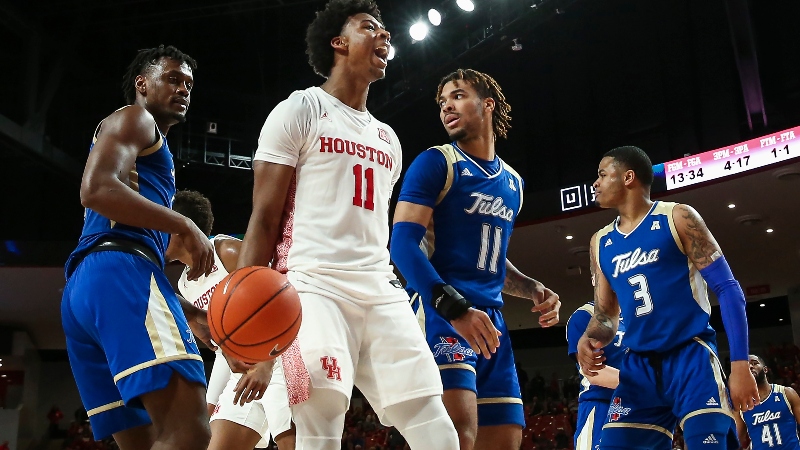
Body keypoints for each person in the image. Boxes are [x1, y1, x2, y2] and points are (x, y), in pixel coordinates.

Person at [235, 0, 459, 449]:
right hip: (313, 285)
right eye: (369, 27)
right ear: (338, 42)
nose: (385, 35)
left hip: (380, 288)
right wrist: (248, 323)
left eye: (384, 29)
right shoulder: (301, 108)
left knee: (438, 429)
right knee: (320, 427)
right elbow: (263, 219)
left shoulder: (388, 139)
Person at [390, 68, 561, 450]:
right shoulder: (437, 162)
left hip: (490, 321)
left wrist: (531, 287)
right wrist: (453, 308)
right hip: (441, 312)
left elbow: (491, 261)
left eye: (457, 96)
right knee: (456, 436)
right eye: (442, 102)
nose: (446, 107)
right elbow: (401, 245)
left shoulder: (513, 183)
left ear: (488, 104)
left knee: (505, 440)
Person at [60, 45, 215, 449]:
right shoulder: (136, 118)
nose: (183, 89)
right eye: (173, 79)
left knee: (146, 443)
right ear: (142, 83)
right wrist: (184, 223)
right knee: (188, 432)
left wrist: (187, 312)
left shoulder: (145, 144)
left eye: (189, 84)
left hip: (87, 286)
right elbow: (95, 189)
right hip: (120, 269)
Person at [576, 146, 759, 449]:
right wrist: (590, 337)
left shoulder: (678, 217)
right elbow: (606, 315)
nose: (595, 183)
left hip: (690, 356)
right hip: (638, 368)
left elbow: (727, 288)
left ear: (628, 177)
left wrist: (739, 364)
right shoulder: (600, 242)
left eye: (603, 174)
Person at [168, 190, 295, 450]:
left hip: (280, 355)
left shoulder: (226, 251)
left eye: (161, 229)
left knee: (295, 442)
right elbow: (222, 337)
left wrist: (266, 363)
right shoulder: (184, 285)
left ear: (181, 230)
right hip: (240, 365)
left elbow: (279, 300)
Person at [566, 302, 627, 450]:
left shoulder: (639, 313)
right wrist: (648, 382)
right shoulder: (585, 315)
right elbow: (595, 373)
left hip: (642, 406)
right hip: (601, 406)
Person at [734, 354, 800, 449]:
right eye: (746, 366)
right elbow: (736, 442)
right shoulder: (742, 405)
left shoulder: (786, 393)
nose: (750, 366)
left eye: (754, 363)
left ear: (765, 369)